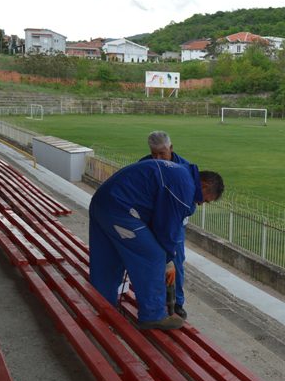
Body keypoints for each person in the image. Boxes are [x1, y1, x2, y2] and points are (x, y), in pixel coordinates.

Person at [89, 158, 224, 330]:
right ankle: (152, 315)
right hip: (121, 210)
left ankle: (103, 304)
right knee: (153, 256)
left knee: (108, 258)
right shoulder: (185, 187)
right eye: (205, 200)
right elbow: (166, 229)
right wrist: (169, 260)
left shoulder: (180, 172)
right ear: (204, 185)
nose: (200, 204)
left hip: (102, 202)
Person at [139, 131, 192, 319]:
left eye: (162, 153)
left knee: (176, 263)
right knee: (152, 262)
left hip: (174, 225)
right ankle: (154, 301)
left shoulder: (185, 169)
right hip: (150, 223)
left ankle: (177, 302)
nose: (158, 158)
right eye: (154, 154)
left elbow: (189, 203)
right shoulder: (144, 165)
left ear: (171, 148)